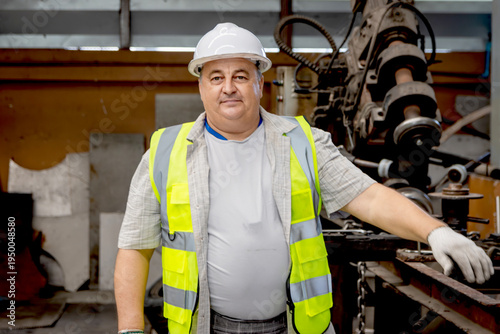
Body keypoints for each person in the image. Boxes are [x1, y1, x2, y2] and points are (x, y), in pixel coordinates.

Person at [114, 22, 494, 334]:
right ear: (201, 86)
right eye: (216, 77)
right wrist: (130, 330)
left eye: (240, 75)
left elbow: (369, 197)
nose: (228, 87)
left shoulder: (304, 143)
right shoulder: (164, 152)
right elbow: (135, 247)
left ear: (259, 83)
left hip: (295, 326)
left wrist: (435, 231)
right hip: (203, 327)